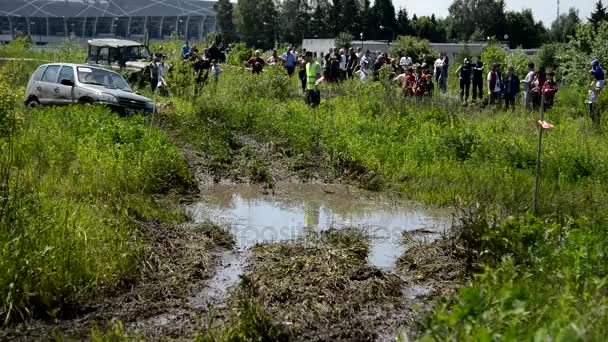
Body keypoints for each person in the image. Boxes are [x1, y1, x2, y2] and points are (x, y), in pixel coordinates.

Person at [589, 59, 605, 123]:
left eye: (593, 65)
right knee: (591, 96)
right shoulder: (597, 68)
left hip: (600, 81)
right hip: (598, 82)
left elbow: (596, 73)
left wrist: (592, 71)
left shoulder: (598, 68)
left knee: (594, 95)